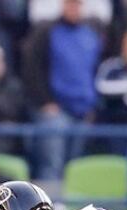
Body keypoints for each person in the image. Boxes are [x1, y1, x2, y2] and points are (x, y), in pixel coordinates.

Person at [22, 0, 103, 180]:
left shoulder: (92, 32)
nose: (73, 7)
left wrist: (92, 105)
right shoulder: (46, 30)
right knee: (52, 164)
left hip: (83, 112)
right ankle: (47, 199)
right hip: (55, 109)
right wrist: (45, 101)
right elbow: (32, 67)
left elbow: (95, 70)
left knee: (76, 167)